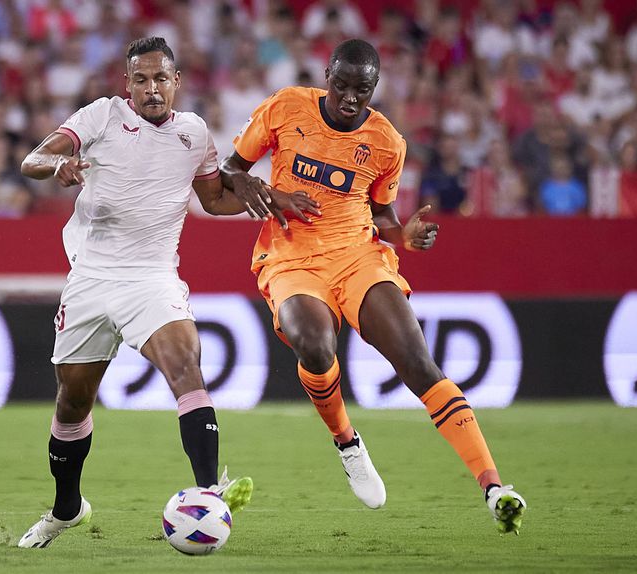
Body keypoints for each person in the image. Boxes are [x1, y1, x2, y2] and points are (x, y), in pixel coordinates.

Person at [220, 39, 527, 534]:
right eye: (340, 85)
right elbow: (230, 170)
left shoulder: (386, 142)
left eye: (360, 90)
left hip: (357, 256)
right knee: (314, 344)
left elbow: (383, 215)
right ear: (327, 75)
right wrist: (274, 195)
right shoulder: (285, 107)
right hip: (292, 257)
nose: (348, 97)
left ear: (374, 88)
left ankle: (494, 488)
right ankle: (347, 442)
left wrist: (403, 235)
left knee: (418, 363)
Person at [15, 37, 301, 549]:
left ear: (176, 82)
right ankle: (66, 509)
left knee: (186, 366)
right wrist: (56, 167)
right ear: (127, 84)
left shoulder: (194, 133)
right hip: (92, 276)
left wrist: (266, 195)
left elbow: (213, 199)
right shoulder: (102, 115)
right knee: (72, 402)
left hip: (153, 278)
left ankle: (210, 493)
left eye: (160, 78)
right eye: (141, 79)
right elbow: (32, 159)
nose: (151, 88)